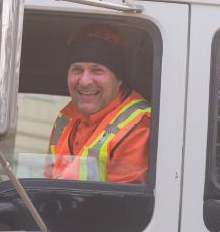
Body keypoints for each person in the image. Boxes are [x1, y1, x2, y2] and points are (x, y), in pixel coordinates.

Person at [45, 24, 151, 183]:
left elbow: (124, 204)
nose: (85, 81)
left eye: (97, 70)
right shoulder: (66, 117)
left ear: (119, 78)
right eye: (77, 69)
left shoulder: (139, 124)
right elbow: (47, 183)